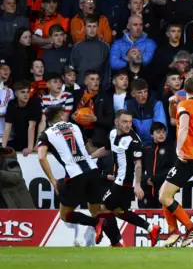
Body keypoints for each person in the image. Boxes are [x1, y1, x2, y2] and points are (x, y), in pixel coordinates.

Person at [36, 105, 118, 245]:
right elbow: (89, 150)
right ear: (62, 115)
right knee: (96, 210)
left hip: (75, 175)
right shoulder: (75, 127)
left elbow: (41, 157)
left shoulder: (46, 134)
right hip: (93, 171)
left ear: (47, 118)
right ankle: (117, 242)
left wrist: (53, 180)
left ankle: (95, 223)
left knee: (65, 215)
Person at [90, 110, 161, 247]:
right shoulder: (112, 134)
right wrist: (90, 157)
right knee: (119, 211)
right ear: (116, 122)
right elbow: (107, 149)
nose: (128, 125)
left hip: (125, 182)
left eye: (130, 122)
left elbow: (138, 164)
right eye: (124, 121)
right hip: (119, 180)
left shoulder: (133, 141)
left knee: (101, 208)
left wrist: (138, 185)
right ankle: (151, 228)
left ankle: (115, 241)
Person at [158, 77, 193, 247]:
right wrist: (172, 105)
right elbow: (175, 120)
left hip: (187, 156)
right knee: (165, 195)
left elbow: (183, 127)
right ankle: (174, 232)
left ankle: (190, 227)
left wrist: (179, 149)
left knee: (164, 195)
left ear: (184, 90)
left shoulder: (185, 105)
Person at [142, 122, 176, 209]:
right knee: (147, 215)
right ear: (151, 135)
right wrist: (145, 179)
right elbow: (139, 169)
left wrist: (155, 179)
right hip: (147, 189)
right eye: (158, 132)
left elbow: (173, 169)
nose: (161, 134)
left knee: (164, 216)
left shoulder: (170, 148)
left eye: (163, 132)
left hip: (164, 189)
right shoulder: (146, 148)